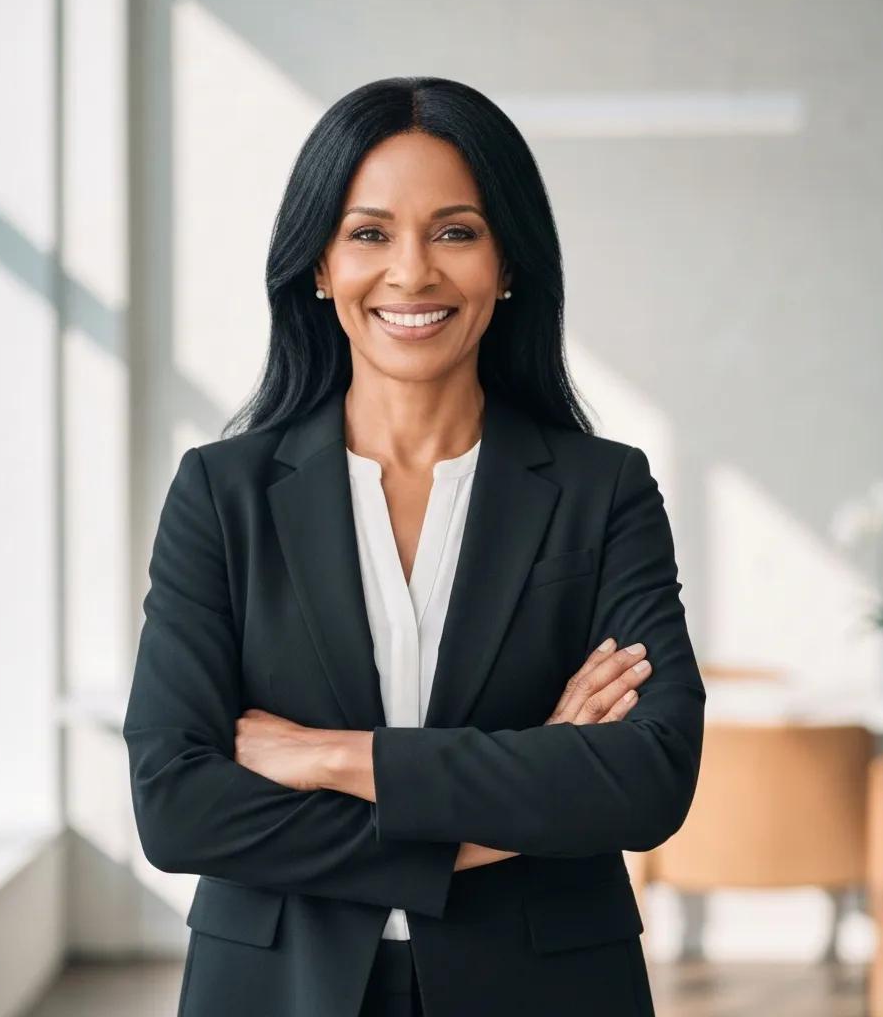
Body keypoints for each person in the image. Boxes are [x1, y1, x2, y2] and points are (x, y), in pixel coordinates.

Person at [122, 75, 705, 1017]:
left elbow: (647, 780)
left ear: (507, 264)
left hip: (546, 989)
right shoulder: (221, 495)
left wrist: (335, 758)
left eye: (455, 232)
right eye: (369, 233)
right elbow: (177, 805)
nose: (411, 273)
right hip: (276, 988)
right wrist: (518, 794)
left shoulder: (604, 490)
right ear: (319, 266)